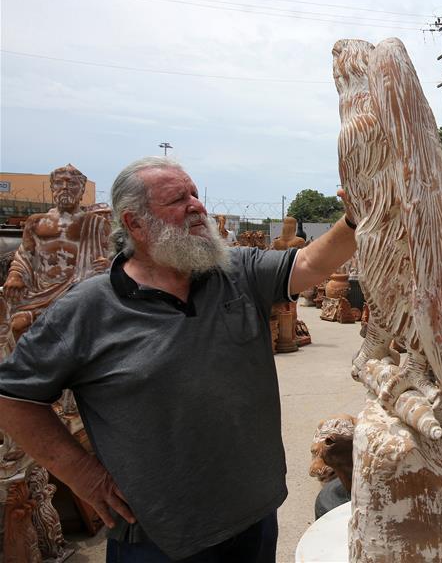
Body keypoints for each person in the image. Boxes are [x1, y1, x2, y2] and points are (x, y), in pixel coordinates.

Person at [0, 156, 357, 561]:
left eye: (194, 193)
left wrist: (354, 221)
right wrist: (84, 476)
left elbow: (310, 263)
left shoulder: (235, 272)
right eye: (177, 199)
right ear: (134, 223)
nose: (197, 205)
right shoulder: (87, 310)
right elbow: (14, 398)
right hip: (160, 538)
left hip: (255, 517)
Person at [1, 164, 110, 352]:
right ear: (52, 188)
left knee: (78, 332)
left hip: (79, 291)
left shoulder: (95, 223)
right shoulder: (37, 221)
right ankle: (25, 368)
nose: (65, 187)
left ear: (82, 189)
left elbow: (109, 255)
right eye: (59, 183)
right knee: (19, 325)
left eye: (72, 183)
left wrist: (106, 265)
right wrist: (15, 276)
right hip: (41, 290)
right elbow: (25, 254)